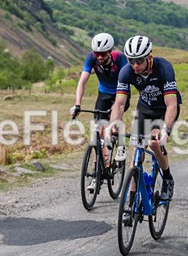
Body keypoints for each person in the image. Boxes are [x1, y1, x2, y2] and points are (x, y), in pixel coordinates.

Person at [107, 35, 181, 207]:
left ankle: (167, 178)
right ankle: (132, 201)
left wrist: (165, 130)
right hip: (145, 109)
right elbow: (119, 103)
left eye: (139, 60)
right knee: (136, 155)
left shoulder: (164, 68)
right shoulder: (126, 72)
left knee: (154, 142)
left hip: (164, 110)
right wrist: (114, 125)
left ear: (149, 57)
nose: (135, 65)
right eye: (131, 60)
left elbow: (171, 105)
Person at [70, 32, 128, 194]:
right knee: (99, 133)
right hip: (103, 94)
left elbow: (125, 82)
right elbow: (82, 82)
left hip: (120, 93)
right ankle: (97, 172)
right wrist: (77, 104)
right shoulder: (91, 59)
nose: (99, 57)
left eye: (102, 54)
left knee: (114, 122)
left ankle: (121, 144)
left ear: (110, 51)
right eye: (97, 54)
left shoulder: (120, 59)